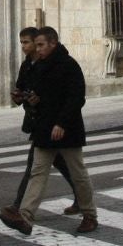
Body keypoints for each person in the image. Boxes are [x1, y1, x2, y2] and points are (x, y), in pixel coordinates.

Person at [0, 27, 97, 235]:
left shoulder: (69, 65)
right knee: (37, 173)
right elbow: (36, 94)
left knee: (78, 173)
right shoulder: (35, 66)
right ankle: (25, 217)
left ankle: (90, 215)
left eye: (41, 44)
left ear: (53, 43)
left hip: (67, 130)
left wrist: (61, 123)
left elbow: (76, 98)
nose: (38, 48)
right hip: (43, 128)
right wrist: (30, 99)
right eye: (37, 45)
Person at [10, 27, 75, 214]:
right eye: (22, 42)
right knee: (62, 163)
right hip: (38, 120)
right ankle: (82, 197)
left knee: (34, 166)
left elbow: (68, 96)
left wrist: (59, 120)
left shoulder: (52, 65)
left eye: (27, 42)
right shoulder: (27, 65)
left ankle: (19, 207)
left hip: (50, 123)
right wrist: (19, 97)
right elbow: (21, 87)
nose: (24, 46)